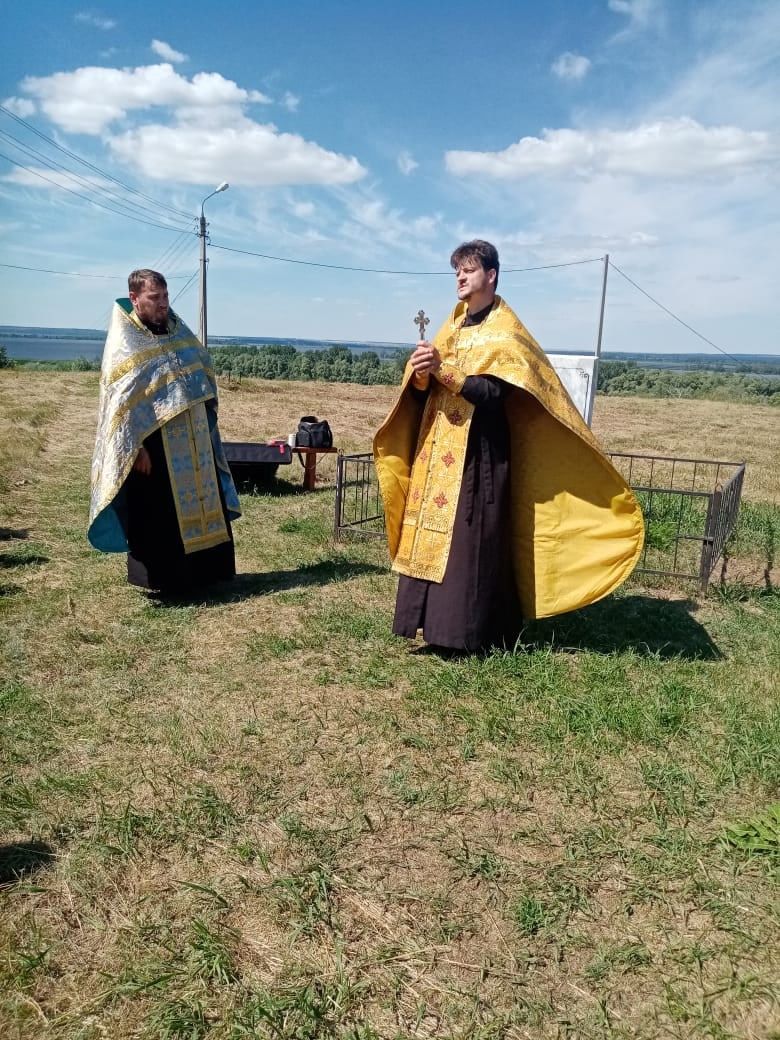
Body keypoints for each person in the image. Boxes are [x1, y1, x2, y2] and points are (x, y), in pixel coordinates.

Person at [374, 240, 644, 651]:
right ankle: (426, 622)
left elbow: (497, 394)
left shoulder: (506, 329)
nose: (460, 278)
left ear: (491, 275)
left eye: (468, 270)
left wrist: (444, 372)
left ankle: (466, 632)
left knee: (469, 538)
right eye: (456, 272)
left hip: (478, 451)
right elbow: (429, 385)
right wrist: (422, 374)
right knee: (430, 534)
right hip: (438, 446)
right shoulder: (452, 324)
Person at [88, 269, 241, 593]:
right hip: (154, 447)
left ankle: (209, 573)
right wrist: (135, 447)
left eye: (165, 296)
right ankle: (166, 580)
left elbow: (199, 366)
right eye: (154, 298)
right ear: (135, 299)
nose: (162, 304)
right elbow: (120, 403)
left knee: (203, 498)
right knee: (160, 512)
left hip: (195, 437)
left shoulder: (176, 331)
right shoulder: (124, 344)